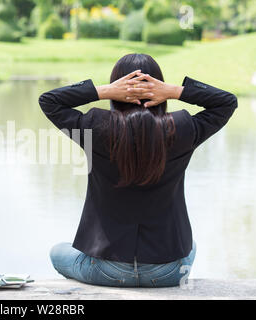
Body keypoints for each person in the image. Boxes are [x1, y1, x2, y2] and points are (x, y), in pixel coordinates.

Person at [38, 53, 238, 287]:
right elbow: (227, 102)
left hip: (105, 269)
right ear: (159, 86)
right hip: (169, 271)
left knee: (57, 251)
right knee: (191, 245)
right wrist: (175, 90)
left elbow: (49, 100)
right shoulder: (183, 129)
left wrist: (103, 91)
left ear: (117, 88)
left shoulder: (95, 128)